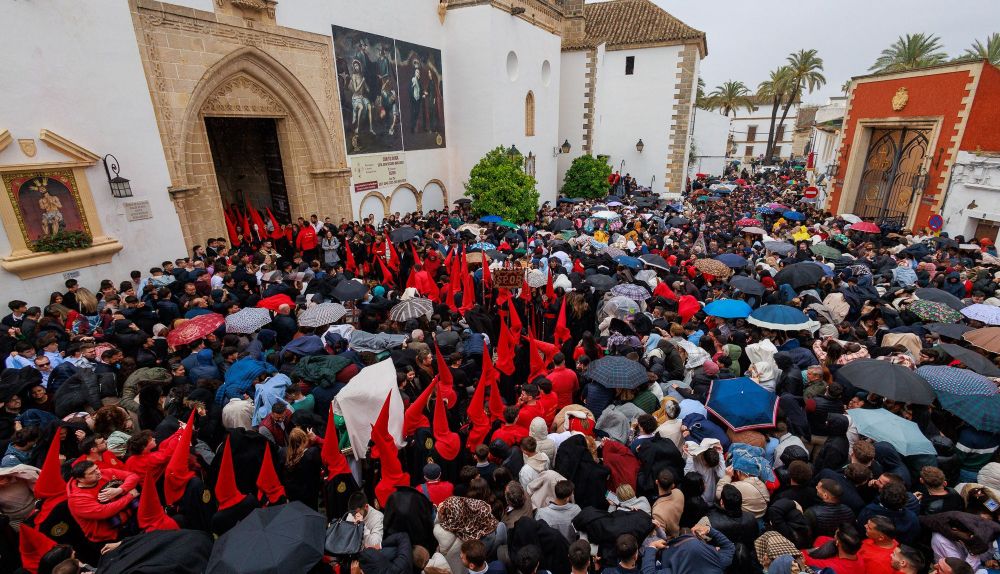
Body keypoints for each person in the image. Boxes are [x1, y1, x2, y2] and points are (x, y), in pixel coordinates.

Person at [66, 460, 140, 543]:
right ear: (80, 479)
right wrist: (130, 496)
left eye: (97, 468)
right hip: (110, 538)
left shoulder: (104, 473)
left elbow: (133, 476)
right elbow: (104, 512)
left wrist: (120, 489)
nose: (98, 472)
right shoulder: (76, 499)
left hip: (131, 521)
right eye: (92, 473)